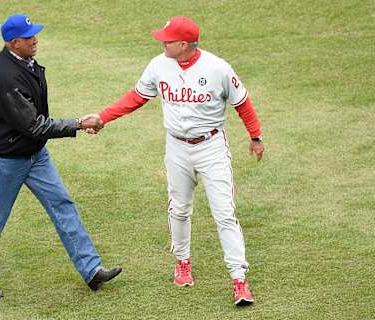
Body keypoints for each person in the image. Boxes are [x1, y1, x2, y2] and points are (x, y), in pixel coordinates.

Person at [91, 16, 263, 306]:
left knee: (224, 212)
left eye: (167, 39)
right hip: (177, 147)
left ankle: (239, 279)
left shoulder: (218, 68)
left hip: (211, 148)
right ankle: (182, 262)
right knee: (179, 209)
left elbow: (242, 102)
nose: (161, 42)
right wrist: (103, 117)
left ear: (184, 44)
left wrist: (255, 136)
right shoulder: (159, 65)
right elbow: (136, 96)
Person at [0, 13, 120, 298]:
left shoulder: (25, 62)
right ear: (13, 43)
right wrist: (78, 123)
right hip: (6, 157)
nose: (35, 39)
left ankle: (92, 270)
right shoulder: (5, 77)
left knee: (63, 204)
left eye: (34, 34)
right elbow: (34, 125)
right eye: (28, 37)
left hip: (32, 152)